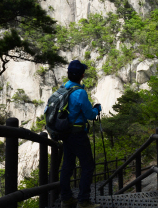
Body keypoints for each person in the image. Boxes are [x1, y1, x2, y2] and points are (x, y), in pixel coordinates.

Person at [60, 60, 101, 208]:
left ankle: (66, 199)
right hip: (78, 134)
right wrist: (97, 109)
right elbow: (90, 115)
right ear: (82, 75)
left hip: (65, 133)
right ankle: (83, 201)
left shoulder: (63, 88)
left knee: (67, 166)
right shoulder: (80, 92)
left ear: (69, 74)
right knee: (88, 166)